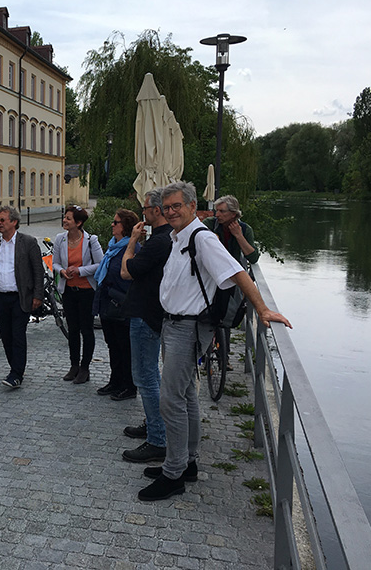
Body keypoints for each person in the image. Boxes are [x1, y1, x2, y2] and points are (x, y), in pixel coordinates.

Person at [138, 181, 291, 502]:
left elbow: (239, 273)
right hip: (175, 324)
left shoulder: (202, 238)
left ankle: (173, 473)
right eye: (166, 208)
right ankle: (187, 463)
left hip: (188, 327)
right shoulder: (179, 237)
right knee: (187, 395)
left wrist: (263, 309)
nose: (170, 212)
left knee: (171, 400)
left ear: (193, 207)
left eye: (177, 206)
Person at [119, 188, 173, 464]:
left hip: (145, 314)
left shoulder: (157, 242)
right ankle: (154, 426)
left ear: (155, 210)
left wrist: (132, 242)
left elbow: (125, 271)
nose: (142, 213)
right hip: (154, 311)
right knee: (151, 376)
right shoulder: (168, 239)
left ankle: (157, 440)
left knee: (145, 377)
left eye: (145, 209)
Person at [0, 206, 44, 389]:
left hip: (21, 297)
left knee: (18, 336)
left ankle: (16, 374)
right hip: (0, 298)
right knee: (7, 336)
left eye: (2, 220)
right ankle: (15, 368)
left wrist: (38, 295)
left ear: (14, 222)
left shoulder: (28, 242)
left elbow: (38, 271)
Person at [52, 205, 103, 384]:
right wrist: (62, 271)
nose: (64, 221)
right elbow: (55, 263)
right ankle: (74, 365)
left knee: (86, 330)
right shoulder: (60, 239)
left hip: (86, 291)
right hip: (69, 291)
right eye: (65, 217)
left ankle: (85, 367)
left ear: (78, 222)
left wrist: (80, 270)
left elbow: (100, 264)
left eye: (68, 218)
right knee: (72, 329)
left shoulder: (91, 240)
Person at [93, 209, 140, 400]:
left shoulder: (132, 249)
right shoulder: (113, 246)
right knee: (112, 345)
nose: (112, 225)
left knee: (124, 347)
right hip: (107, 304)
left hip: (122, 305)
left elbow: (132, 278)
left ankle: (128, 386)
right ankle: (115, 380)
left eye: (116, 222)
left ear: (126, 227)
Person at [202, 195, 260, 266]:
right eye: (217, 210)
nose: (217, 215)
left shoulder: (245, 229)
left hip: (235, 270)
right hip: (213, 268)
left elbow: (253, 258)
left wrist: (239, 236)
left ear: (233, 214)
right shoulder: (209, 224)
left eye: (222, 211)